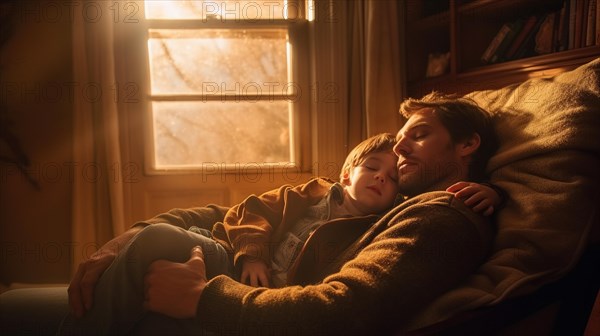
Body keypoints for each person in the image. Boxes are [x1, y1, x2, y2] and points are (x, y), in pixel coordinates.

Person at [66, 92, 501, 335]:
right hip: (242, 282)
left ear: (467, 146)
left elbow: (342, 310)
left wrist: (203, 298)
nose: (398, 147)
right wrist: (124, 239)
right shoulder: (399, 202)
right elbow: (235, 213)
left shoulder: (443, 217)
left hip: (251, 307)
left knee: (152, 263)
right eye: (394, 144)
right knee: (150, 247)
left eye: (418, 136)